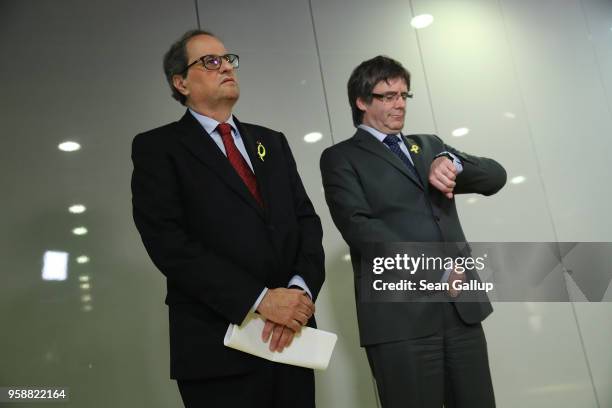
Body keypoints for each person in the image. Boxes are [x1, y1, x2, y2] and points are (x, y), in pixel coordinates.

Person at [131, 29, 325, 408]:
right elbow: (167, 242)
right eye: (210, 61)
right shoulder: (158, 148)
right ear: (180, 82)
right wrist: (260, 300)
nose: (226, 68)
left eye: (228, 59)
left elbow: (306, 221)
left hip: (292, 341)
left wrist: (300, 291)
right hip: (218, 350)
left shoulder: (272, 141)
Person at [320, 55, 506, 407]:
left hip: (461, 310)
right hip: (399, 320)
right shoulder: (340, 157)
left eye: (404, 95)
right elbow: (361, 229)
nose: (399, 104)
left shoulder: (430, 146)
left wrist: (453, 162)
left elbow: (496, 177)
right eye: (388, 96)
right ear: (361, 102)